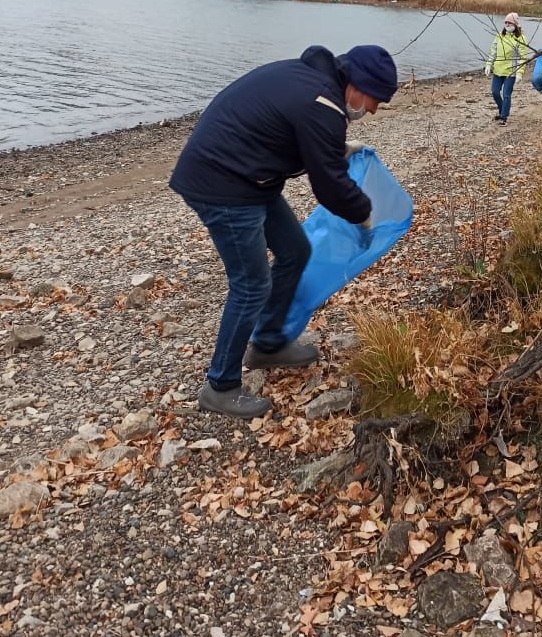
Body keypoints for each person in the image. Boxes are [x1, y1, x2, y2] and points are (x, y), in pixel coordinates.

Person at [169, 45, 398, 418]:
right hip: (221, 182)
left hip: (251, 177)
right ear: (357, 83)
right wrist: (363, 212)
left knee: (296, 250)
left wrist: (336, 149)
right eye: (374, 99)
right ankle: (220, 386)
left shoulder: (319, 86)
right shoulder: (321, 103)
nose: (372, 109)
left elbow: (293, 130)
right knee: (251, 284)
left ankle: (268, 343)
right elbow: (329, 187)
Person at [485, 12, 532, 125]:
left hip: (511, 72)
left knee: (506, 95)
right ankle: (502, 111)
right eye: (505, 22)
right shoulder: (499, 36)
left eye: (509, 22)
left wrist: (520, 73)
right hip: (498, 70)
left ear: (515, 24)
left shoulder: (520, 38)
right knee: (495, 92)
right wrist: (488, 64)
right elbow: (493, 51)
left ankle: (504, 117)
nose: (507, 24)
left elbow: (522, 57)